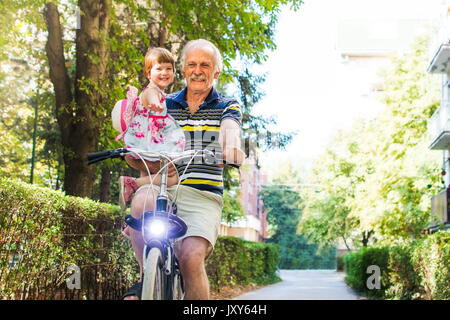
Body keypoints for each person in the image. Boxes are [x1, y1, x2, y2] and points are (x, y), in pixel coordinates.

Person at [122, 39, 244, 300]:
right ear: (184, 69)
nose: (197, 70)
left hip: (203, 195)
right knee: (142, 201)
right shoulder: (166, 102)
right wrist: (134, 148)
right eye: (192, 64)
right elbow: (147, 115)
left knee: (190, 257)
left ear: (216, 72)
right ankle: (144, 278)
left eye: (205, 65)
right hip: (166, 185)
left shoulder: (226, 105)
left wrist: (231, 148)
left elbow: (230, 131)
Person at [112, 47, 185, 211]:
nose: (164, 72)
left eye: (169, 69)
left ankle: (136, 222)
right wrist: (156, 104)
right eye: (159, 68)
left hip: (145, 148)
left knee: (148, 186)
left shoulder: (160, 93)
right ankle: (131, 184)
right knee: (172, 178)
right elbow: (150, 96)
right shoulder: (152, 91)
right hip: (147, 149)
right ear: (148, 73)